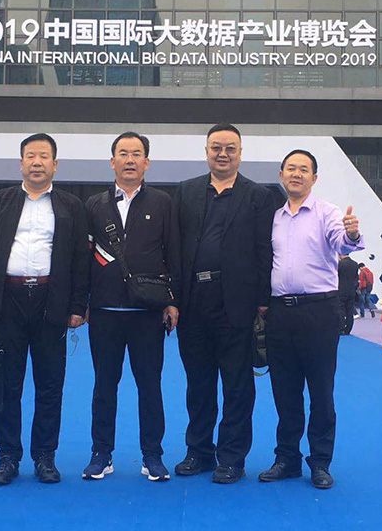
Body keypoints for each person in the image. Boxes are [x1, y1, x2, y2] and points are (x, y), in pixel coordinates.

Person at [0, 133, 89, 486]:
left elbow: (80, 260)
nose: (37, 162)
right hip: (7, 301)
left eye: (44, 156)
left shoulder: (71, 206)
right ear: (21, 163)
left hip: (52, 302)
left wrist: (77, 304)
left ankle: (44, 456)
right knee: (7, 384)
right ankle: (7, 456)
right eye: (31, 156)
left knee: (50, 384)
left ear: (55, 164)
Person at [174, 123, 275, 484]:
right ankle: (198, 452)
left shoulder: (259, 196)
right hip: (192, 303)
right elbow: (174, 246)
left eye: (230, 148)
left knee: (237, 386)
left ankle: (232, 457)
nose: (223, 154)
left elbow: (265, 250)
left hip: (236, 304)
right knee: (198, 385)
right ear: (206, 152)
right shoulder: (185, 192)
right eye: (216, 147)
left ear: (240, 153)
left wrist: (262, 301)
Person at [258, 149, 363, 490]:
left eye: (304, 169)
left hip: (319, 311)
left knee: (321, 392)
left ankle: (320, 462)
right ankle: (286, 459)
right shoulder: (272, 218)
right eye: (291, 168)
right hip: (279, 313)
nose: (297, 174)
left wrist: (350, 234)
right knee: (284, 392)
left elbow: (342, 241)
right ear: (281, 175)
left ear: (314, 178)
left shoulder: (327, 213)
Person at [82, 132, 180, 482]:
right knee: (104, 386)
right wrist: (82, 302)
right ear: (112, 161)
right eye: (123, 153)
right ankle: (101, 454)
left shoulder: (163, 202)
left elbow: (174, 253)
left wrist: (172, 301)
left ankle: (152, 455)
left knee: (150, 386)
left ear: (146, 162)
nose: (129, 160)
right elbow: (83, 257)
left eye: (136, 154)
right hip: (104, 312)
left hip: (148, 313)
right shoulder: (93, 205)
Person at [337, 253, 359, 335]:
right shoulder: (355, 264)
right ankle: (348, 329)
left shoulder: (340, 264)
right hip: (351, 290)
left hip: (341, 290)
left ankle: (341, 328)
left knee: (341, 309)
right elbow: (356, 278)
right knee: (350, 310)